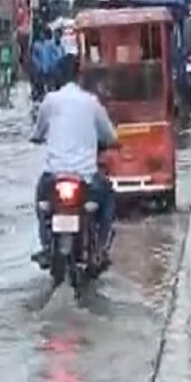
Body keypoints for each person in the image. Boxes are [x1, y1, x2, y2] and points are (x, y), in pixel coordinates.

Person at [30, 56, 116, 267]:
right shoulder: (91, 102)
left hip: (54, 175)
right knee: (108, 199)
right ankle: (101, 249)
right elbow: (110, 136)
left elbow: (38, 132)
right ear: (80, 76)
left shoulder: (50, 101)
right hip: (86, 176)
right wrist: (112, 142)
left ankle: (45, 245)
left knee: (42, 203)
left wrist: (38, 137)